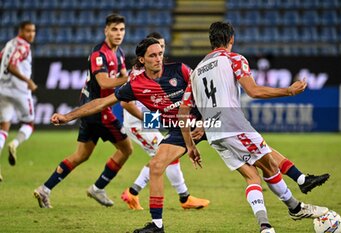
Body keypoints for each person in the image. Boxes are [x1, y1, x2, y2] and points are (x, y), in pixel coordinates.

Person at [179, 21, 329, 232]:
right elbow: (254, 91)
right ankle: (295, 204)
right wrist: (289, 91)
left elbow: (182, 112)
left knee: (253, 174)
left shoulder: (196, 73)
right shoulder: (234, 58)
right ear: (231, 39)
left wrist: (191, 146)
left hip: (213, 133)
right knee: (269, 165)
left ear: (211, 41)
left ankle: (270, 223)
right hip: (232, 124)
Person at [50, 38, 209, 233]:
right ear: (142, 59)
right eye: (153, 55)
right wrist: (67, 116)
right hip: (156, 125)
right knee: (158, 163)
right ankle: (159, 219)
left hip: (207, 121)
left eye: (160, 53)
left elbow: (206, 94)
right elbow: (102, 102)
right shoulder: (135, 82)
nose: (159, 58)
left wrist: (203, 121)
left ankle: (147, 193)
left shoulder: (180, 70)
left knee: (249, 158)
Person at [33, 14, 131, 208]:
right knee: (126, 149)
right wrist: (130, 80)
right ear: (106, 31)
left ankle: (45, 189)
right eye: (114, 29)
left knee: (81, 155)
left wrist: (130, 79)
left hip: (91, 110)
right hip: (99, 110)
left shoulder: (119, 53)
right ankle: (98, 187)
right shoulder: (99, 54)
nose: (118, 33)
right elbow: (104, 82)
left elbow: (124, 76)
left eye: (121, 29)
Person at [120, 32, 209, 210]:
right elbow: (125, 103)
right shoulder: (138, 74)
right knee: (165, 157)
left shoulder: (164, 71)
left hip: (149, 120)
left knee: (163, 157)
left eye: (162, 49)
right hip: (138, 123)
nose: (160, 52)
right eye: (155, 50)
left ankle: (134, 192)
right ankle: (183, 198)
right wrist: (152, 119)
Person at [0, 21, 37, 181]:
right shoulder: (24, 46)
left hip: (2, 89)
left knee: (3, 127)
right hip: (20, 91)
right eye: (28, 31)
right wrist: (27, 80)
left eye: (33, 31)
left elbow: (2, 59)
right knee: (29, 124)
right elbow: (11, 65)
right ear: (21, 30)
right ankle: (14, 144)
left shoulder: (9, 44)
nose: (31, 34)